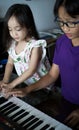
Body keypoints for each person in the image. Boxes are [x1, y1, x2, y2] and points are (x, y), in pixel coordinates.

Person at [6, 0, 79, 129]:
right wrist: (27, 89)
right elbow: (52, 75)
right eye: (61, 21)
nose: (64, 27)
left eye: (72, 22)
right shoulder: (62, 41)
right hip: (67, 101)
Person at [0, 4, 51, 97]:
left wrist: (12, 84)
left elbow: (32, 70)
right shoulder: (13, 44)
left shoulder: (35, 46)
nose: (14, 34)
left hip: (42, 86)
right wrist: (5, 80)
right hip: (26, 84)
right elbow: (9, 63)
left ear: (28, 26)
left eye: (18, 29)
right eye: (10, 30)